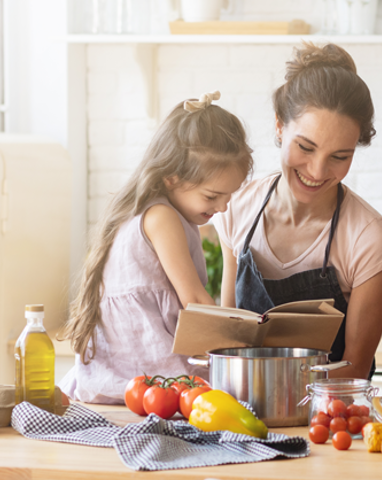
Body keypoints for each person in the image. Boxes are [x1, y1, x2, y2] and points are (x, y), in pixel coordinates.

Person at [216, 43, 382, 380]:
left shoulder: (368, 237)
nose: (317, 171)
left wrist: (282, 396)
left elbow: (355, 369)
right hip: (242, 406)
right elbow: (227, 342)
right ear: (279, 126)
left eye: (339, 157)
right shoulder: (236, 208)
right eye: (305, 147)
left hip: (329, 408)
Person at [59, 92, 253, 404]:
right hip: (147, 372)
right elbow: (194, 300)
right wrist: (239, 343)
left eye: (229, 196)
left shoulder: (155, 211)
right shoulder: (162, 217)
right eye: (212, 196)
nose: (222, 207)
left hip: (123, 374)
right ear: (171, 178)